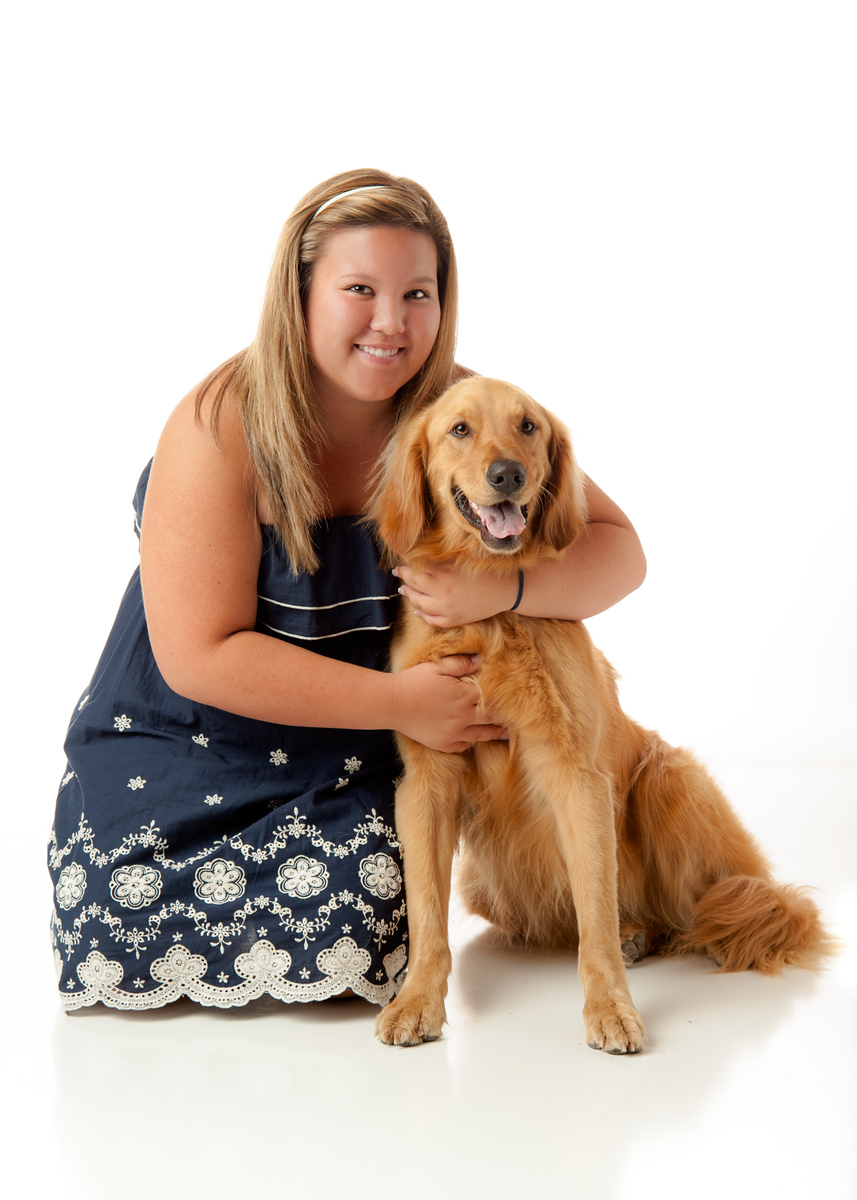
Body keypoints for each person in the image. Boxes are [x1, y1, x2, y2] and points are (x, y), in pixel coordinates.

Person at [48, 169, 647, 1011]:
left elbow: (619, 552)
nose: (391, 323)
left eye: (418, 293)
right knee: (116, 913)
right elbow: (197, 656)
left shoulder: (459, 413)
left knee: (359, 914)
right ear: (298, 297)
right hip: (186, 734)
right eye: (358, 289)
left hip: (343, 742)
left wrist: (501, 593)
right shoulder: (219, 423)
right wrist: (401, 699)